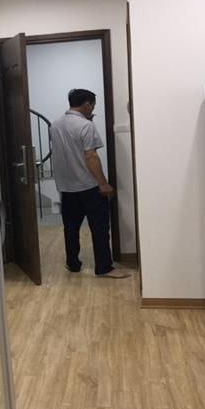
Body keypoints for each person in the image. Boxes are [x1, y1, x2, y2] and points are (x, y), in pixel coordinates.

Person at [49, 88, 130, 278]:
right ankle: (104, 267)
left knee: (71, 228)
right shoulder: (86, 125)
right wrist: (103, 183)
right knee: (99, 228)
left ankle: (73, 264)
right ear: (86, 104)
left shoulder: (55, 125)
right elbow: (91, 156)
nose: (93, 109)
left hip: (66, 188)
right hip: (89, 186)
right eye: (93, 105)